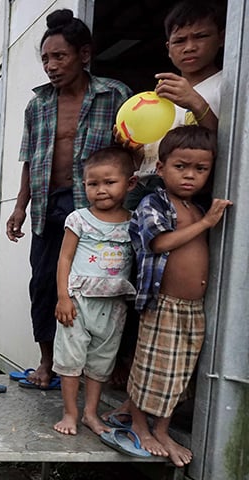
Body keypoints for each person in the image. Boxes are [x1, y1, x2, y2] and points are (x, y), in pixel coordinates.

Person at [5, 9, 132, 389]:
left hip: (99, 211)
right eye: (46, 58)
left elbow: (132, 153)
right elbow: (30, 158)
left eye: (60, 56)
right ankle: (48, 362)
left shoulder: (114, 95)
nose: (51, 66)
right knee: (44, 284)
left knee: (103, 287)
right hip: (48, 205)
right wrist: (19, 206)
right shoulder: (37, 105)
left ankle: (102, 370)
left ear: (85, 55)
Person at [127, 125, 231, 466]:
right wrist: (205, 225)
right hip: (163, 305)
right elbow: (159, 242)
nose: (190, 176)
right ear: (161, 168)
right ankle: (141, 426)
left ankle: (162, 429)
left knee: (178, 374)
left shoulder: (197, 208)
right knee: (152, 369)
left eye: (200, 169)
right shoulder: (154, 203)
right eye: (180, 166)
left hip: (193, 308)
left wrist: (205, 219)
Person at [52, 147, 137, 436]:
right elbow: (64, 258)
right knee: (71, 358)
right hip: (78, 302)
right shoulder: (79, 219)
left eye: (109, 182)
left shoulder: (135, 221)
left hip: (113, 305)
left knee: (101, 362)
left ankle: (90, 413)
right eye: (93, 184)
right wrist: (63, 297)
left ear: (131, 183)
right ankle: (70, 413)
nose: (100, 190)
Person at [126, 0, 225, 209]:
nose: (190, 47)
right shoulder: (160, 95)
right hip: (145, 193)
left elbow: (231, 148)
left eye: (201, 36)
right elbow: (153, 158)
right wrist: (135, 151)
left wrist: (197, 103)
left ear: (222, 37)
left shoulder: (228, 85)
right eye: (180, 41)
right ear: (169, 48)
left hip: (192, 199)